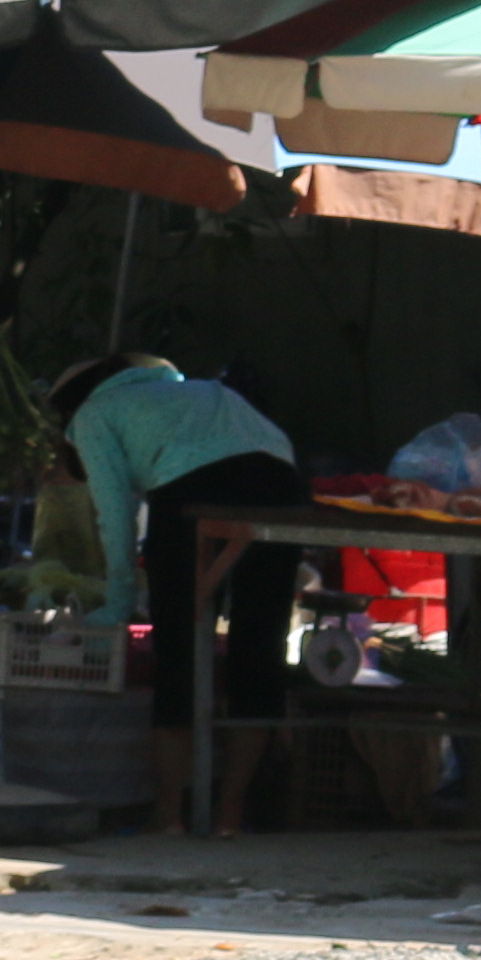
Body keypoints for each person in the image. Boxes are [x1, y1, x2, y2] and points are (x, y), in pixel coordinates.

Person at [49, 348, 312, 831]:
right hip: (281, 481)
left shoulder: (93, 416)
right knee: (260, 646)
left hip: (195, 489)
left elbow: (115, 515)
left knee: (179, 650)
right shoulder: (194, 392)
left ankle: (170, 815)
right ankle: (230, 813)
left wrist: (120, 602)